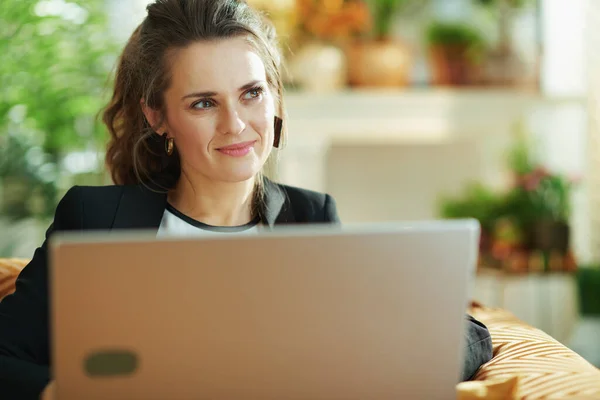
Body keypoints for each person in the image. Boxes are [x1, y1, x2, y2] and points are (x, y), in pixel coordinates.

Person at [0, 0, 493, 398]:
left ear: (275, 96)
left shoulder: (310, 217)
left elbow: (463, 335)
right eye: (204, 102)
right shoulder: (95, 217)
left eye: (251, 93)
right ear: (158, 117)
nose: (235, 124)